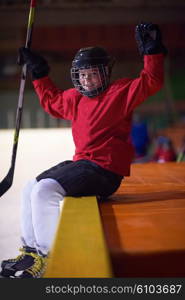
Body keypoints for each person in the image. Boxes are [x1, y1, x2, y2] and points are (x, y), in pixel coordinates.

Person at [0, 22, 167, 278]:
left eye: (92, 73)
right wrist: (40, 72)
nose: (86, 80)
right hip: (83, 164)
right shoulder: (76, 98)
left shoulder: (118, 93)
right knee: (29, 188)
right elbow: (53, 102)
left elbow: (150, 82)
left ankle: (50, 256)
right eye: (81, 75)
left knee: (45, 191)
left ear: (104, 73)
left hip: (105, 171)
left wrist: (152, 52)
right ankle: (31, 252)